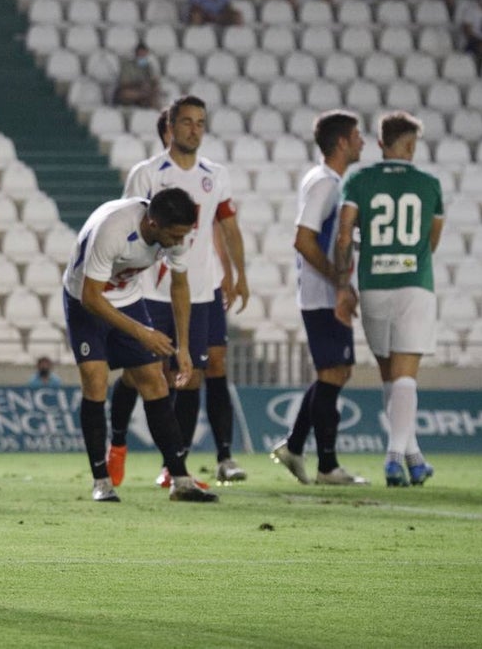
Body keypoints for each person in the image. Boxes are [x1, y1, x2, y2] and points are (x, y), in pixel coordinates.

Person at [110, 96, 250, 490]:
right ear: (170, 127)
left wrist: (238, 273)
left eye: (201, 123)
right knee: (141, 377)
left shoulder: (215, 174)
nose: (194, 129)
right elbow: (127, 225)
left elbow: (228, 226)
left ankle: (176, 465)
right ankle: (117, 442)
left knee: (190, 378)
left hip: (198, 290)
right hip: (150, 292)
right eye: (187, 122)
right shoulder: (148, 173)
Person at [62, 188, 219, 505]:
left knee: (155, 381)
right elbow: (91, 297)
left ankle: (180, 480)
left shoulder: (176, 233)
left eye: (183, 235)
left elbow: (179, 285)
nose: (179, 242)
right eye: (174, 235)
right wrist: (143, 333)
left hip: (127, 299)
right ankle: (101, 481)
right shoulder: (114, 231)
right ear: (152, 224)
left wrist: (184, 348)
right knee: (95, 381)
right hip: (84, 299)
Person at [334, 112, 443, 488]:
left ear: (380, 143)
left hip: (373, 285)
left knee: (389, 379)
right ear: (410, 144)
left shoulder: (359, 179)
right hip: (415, 285)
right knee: (405, 378)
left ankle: (413, 458)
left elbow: (344, 237)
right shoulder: (429, 184)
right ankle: (394, 457)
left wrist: (342, 284)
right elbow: (432, 239)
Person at [271, 111, 370, 486]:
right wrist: (338, 282)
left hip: (326, 293)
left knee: (337, 373)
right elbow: (303, 238)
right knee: (332, 373)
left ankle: (296, 447)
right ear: (342, 142)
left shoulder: (331, 181)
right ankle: (325, 465)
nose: (362, 142)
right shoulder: (325, 184)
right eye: (357, 135)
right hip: (321, 296)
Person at [112, 42, 160, 108]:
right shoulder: (127, 65)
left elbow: (153, 81)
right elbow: (123, 83)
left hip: (144, 92)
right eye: (141, 54)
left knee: (155, 94)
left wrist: (153, 85)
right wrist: (139, 84)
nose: (142, 57)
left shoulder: (148, 67)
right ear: (136, 54)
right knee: (126, 93)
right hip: (129, 92)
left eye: (144, 55)